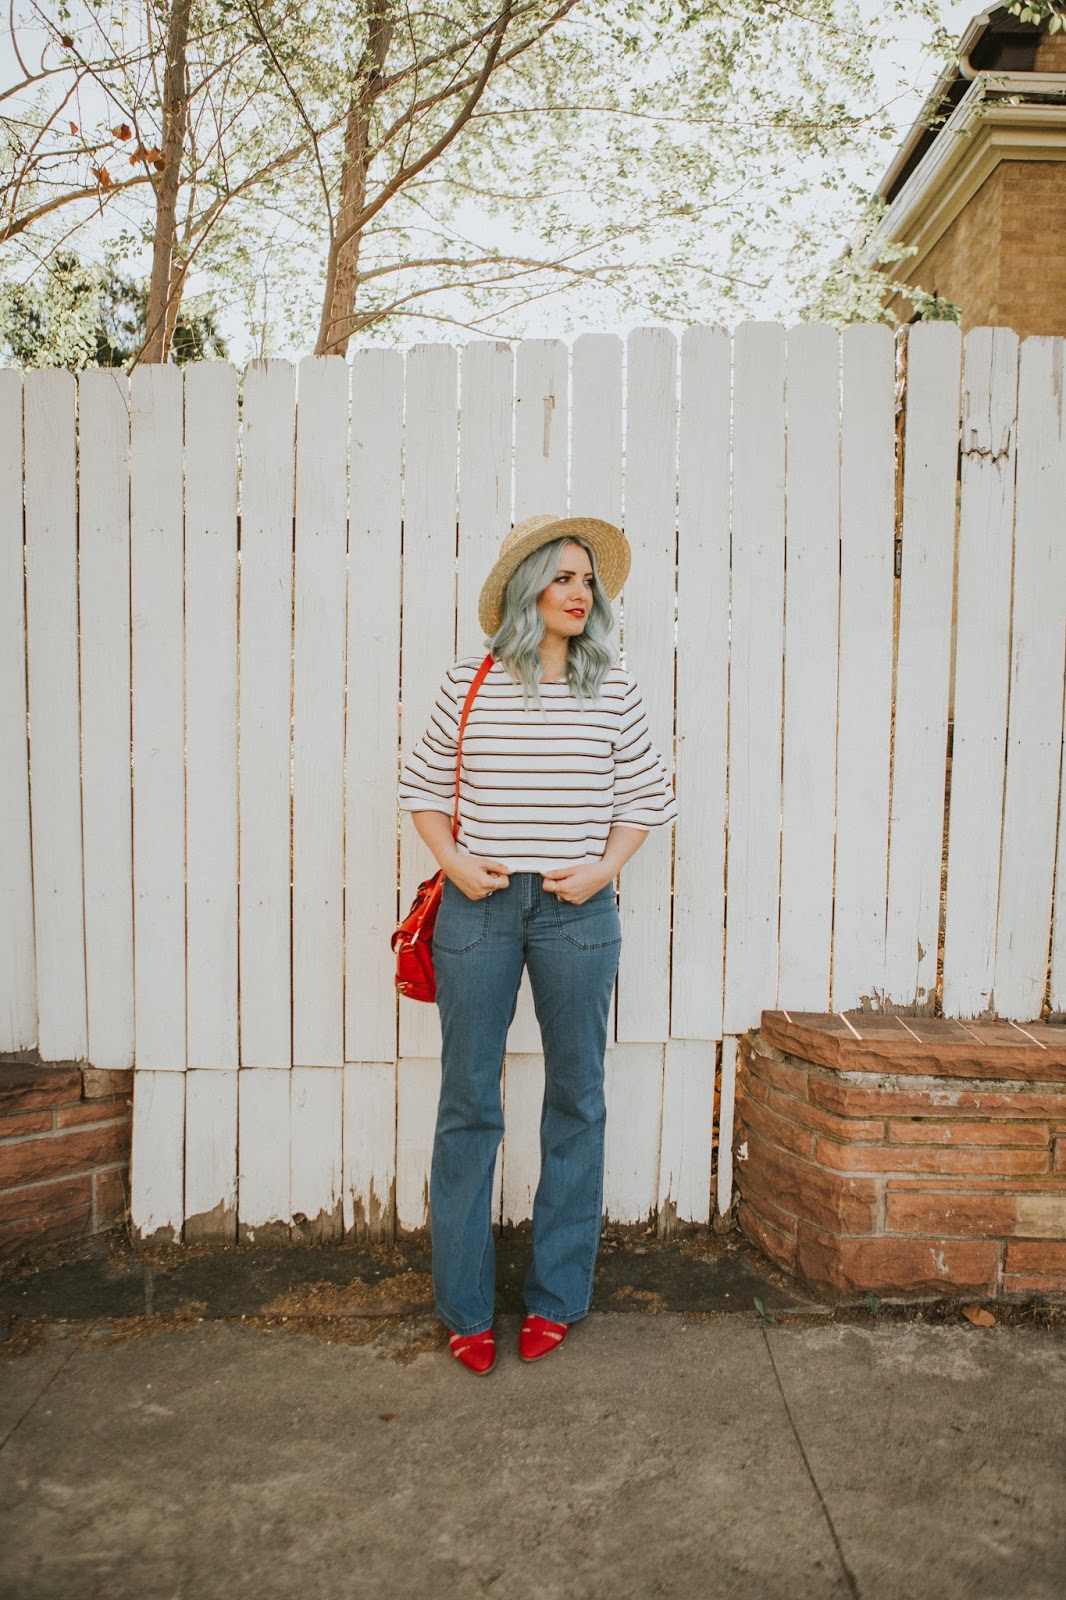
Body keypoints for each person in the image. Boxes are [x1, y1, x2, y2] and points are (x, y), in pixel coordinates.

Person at [398, 513, 677, 1375]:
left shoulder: (615, 688)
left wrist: (602, 871)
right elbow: (419, 785)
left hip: (577, 911)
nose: (578, 593)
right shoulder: (470, 680)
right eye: (563, 578)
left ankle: (557, 1296)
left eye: (587, 582)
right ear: (528, 589)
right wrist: (453, 862)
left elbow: (646, 795)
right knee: (469, 1106)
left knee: (576, 1100)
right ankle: (465, 1306)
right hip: (480, 910)